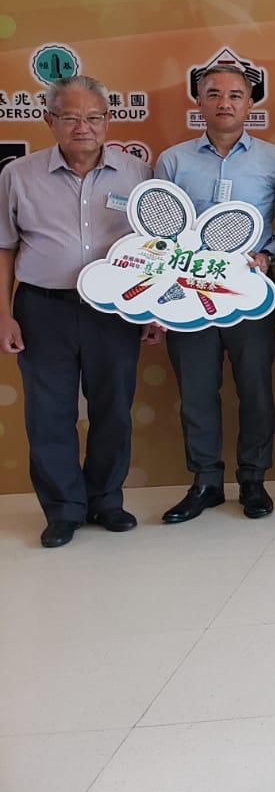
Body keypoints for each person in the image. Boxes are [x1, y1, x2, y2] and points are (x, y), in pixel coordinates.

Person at [0, 76, 161, 548]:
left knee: (113, 408)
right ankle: (63, 510)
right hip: (42, 307)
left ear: (108, 121)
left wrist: (152, 309)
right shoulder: (18, 175)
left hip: (114, 308)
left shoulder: (138, 173)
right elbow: (4, 247)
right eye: (70, 118)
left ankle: (106, 500)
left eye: (93, 118)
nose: (82, 128)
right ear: (49, 120)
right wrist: (4, 315)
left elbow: (157, 248)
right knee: (48, 413)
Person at [156, 64, 275, 523]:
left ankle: (253, 479)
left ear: (251, 103)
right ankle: (206, 482)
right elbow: (158, 235)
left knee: (255, 389)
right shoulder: (173, 161)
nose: (225, 103)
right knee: (196, 390)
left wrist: (268, 256)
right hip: (186, 297)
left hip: (250, 294)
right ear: (198, 101)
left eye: (235, 95)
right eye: (214, 94)